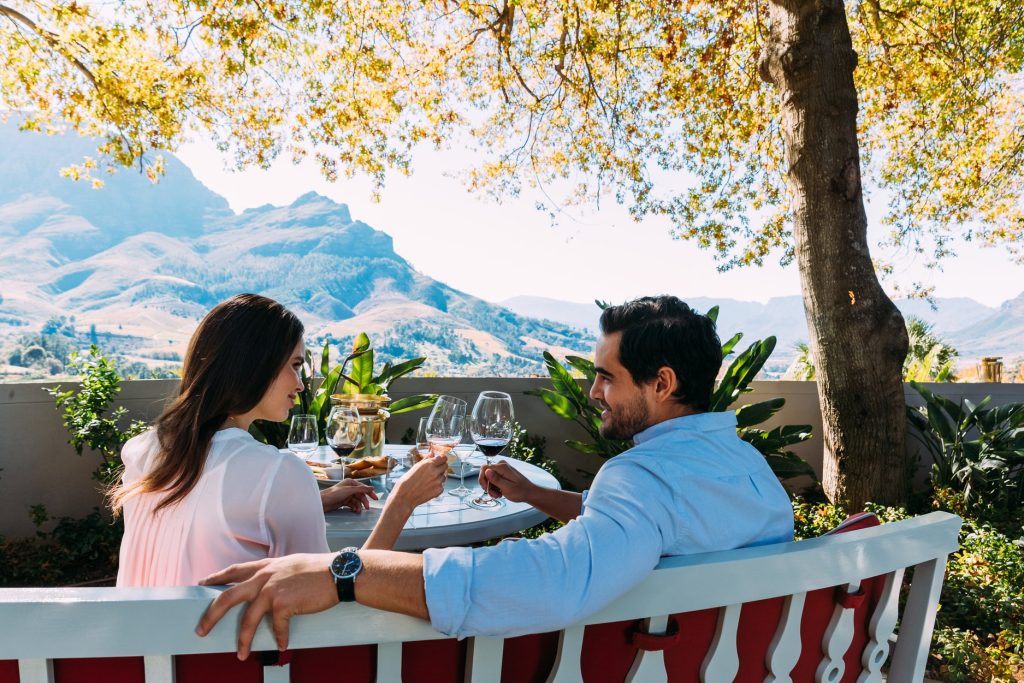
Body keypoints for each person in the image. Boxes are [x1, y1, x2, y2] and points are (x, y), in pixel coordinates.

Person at [195, 295, 794, 658]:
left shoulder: (641, 478)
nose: (594, 392)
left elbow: (552, 579)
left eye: (607, 377)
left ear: (662, 383)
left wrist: (346, 571)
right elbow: (644, 522)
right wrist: (534, 495)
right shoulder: (749, 471)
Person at [113, 293, 447, 587]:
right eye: (295, 365)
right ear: (255, 366)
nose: (300, 384)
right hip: (225, 642)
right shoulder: (277, 472)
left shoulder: (142, 450)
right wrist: (401, 502)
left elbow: (199, 526)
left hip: (146, 638)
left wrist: (313, 501)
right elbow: (335, 594)